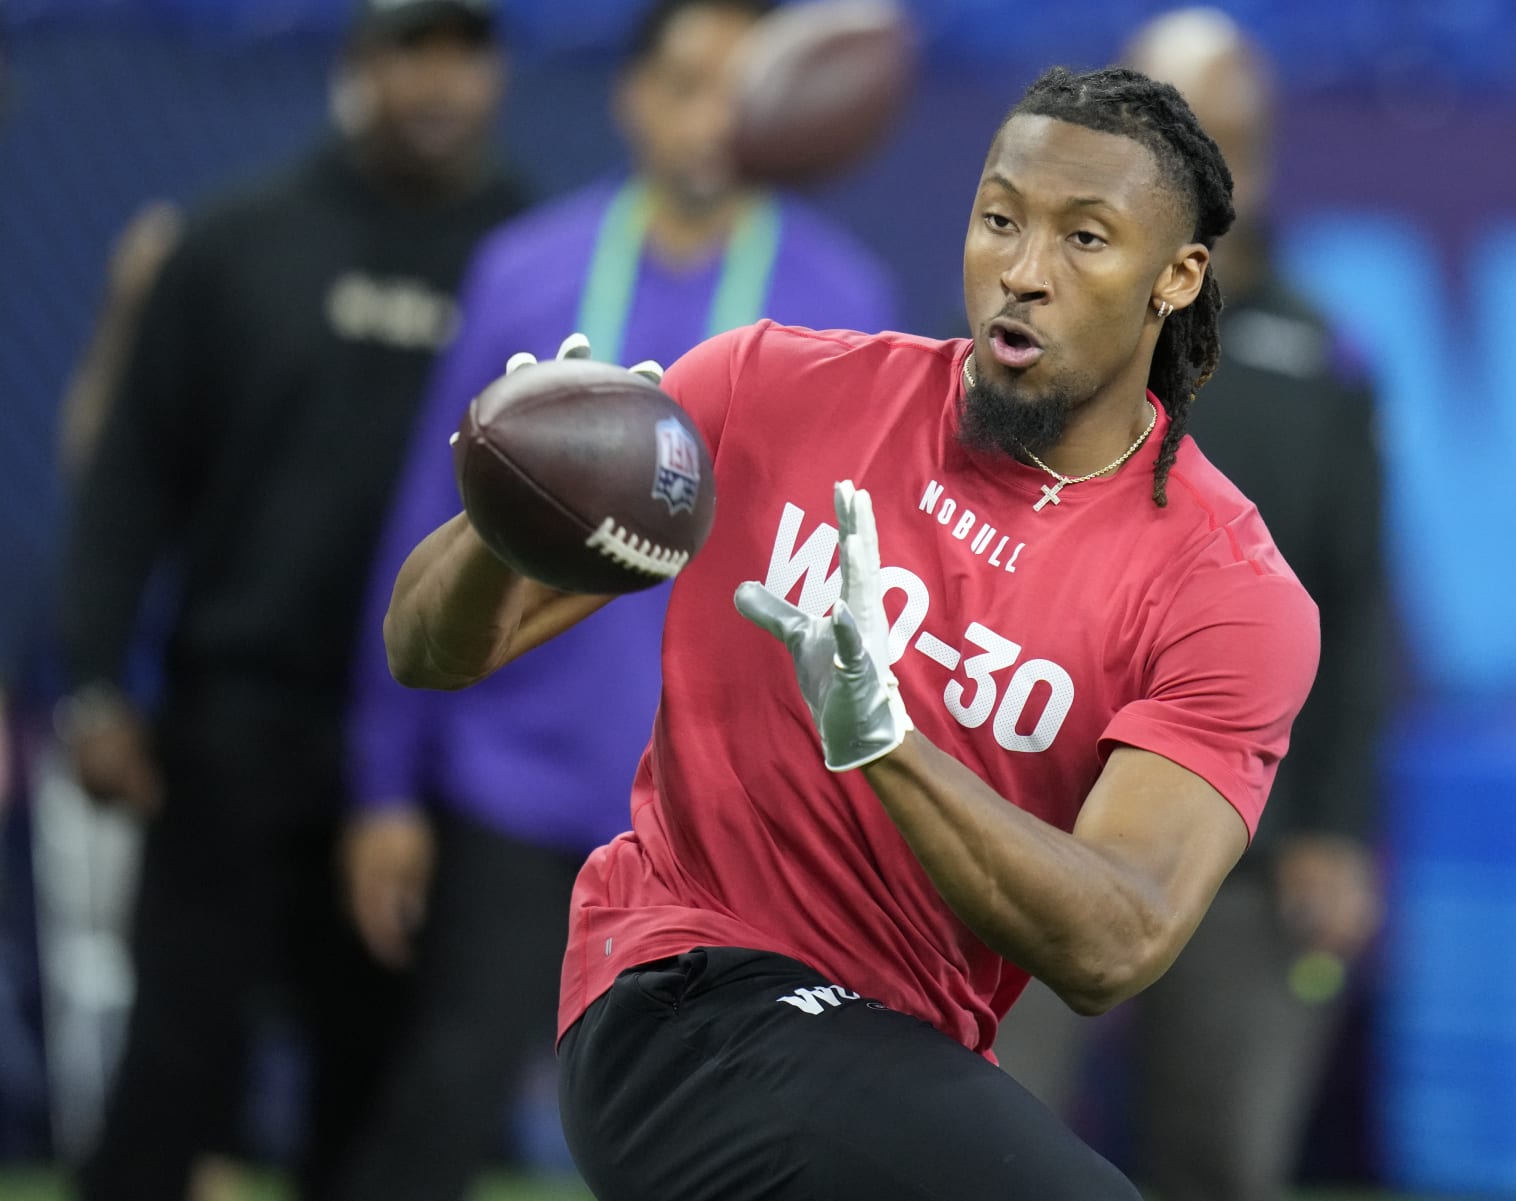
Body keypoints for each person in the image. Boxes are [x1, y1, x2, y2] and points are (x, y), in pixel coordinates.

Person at [384, 63, 1320, 1201]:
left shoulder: (1225, 590)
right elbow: (428, 649)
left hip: (898, 1040)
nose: (1023, 271)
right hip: (685, 982)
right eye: (1000, 220)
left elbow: (1115, 942)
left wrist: (885, 742)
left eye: (1085, 238)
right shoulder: (769, 391)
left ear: (1178, 275)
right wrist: (513, 508)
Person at [331, 0, 898, 1195]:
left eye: (741, 89)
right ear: (632, 97)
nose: (710, 117)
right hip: (514, 783)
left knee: (726, 1138)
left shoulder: (843, 298)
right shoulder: (525, 269)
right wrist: (383, 785)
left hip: (720, 807)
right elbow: (426, 523)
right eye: (686, 83)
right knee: (445, 1096)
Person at [53, 0, 527, 1196]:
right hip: (237, 722)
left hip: (426, 748)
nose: (439, 81)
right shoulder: (235, 245)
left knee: (376, 1091)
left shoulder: (529, 263)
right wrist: (94, 679)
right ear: (359, 64)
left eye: (465, 51)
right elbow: (129, 482)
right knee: (174, 1066)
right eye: (411, 49)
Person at [995, 12, 1389, 1200]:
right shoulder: (1043, 324)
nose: (1230, 162)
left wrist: (1337, 830)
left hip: (1240, 832)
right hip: (1037, 794)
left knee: (1220, 1159)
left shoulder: (1325, 358)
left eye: (1242, 137)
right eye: (1195, 135)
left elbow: (1357, 602)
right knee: (982, 1133)